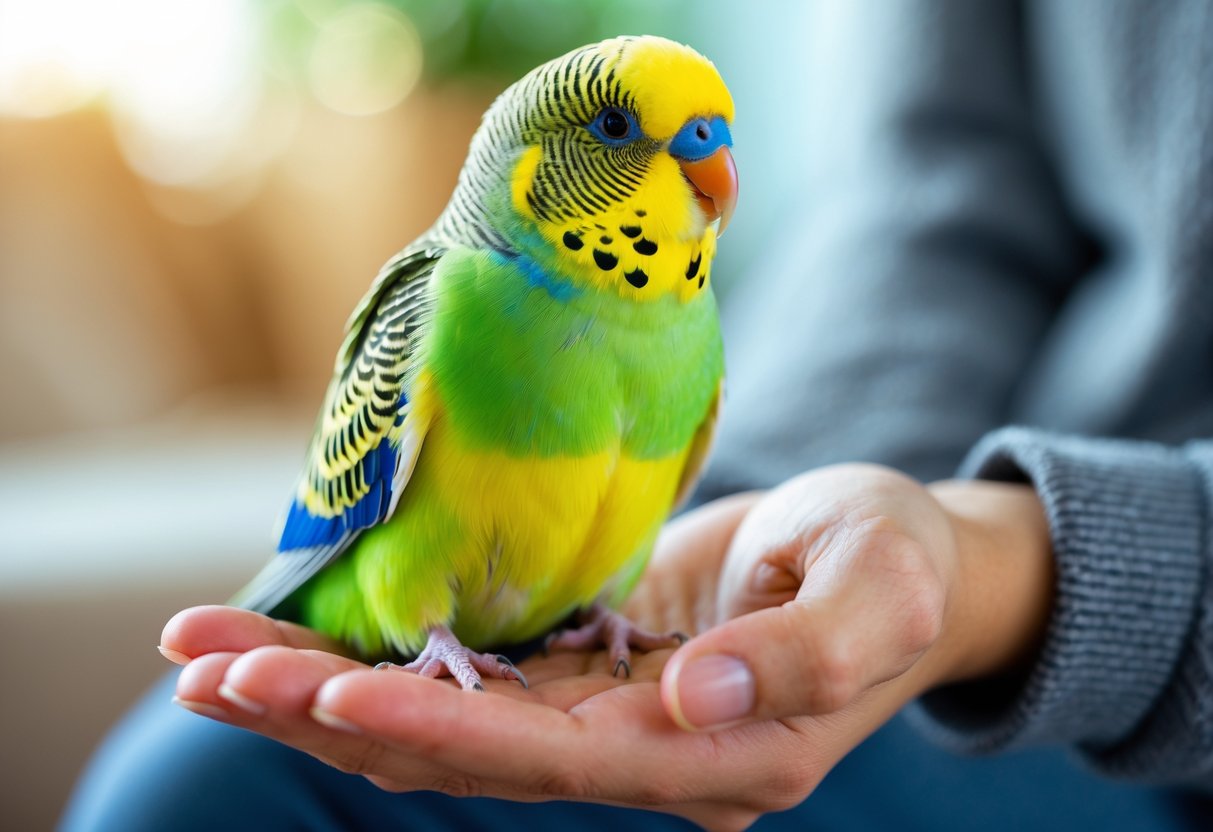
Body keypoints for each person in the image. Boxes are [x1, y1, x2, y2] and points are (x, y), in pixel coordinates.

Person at [62, 1, 1213, 829]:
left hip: (1107, 672)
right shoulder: (440, 308)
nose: (707, 160)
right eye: (627, 135)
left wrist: (1001, 560)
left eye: (709, 133)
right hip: (396, 588)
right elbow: (939, 203)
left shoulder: (692, 336)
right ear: (532, 179)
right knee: (200, 773)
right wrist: (770, 521)